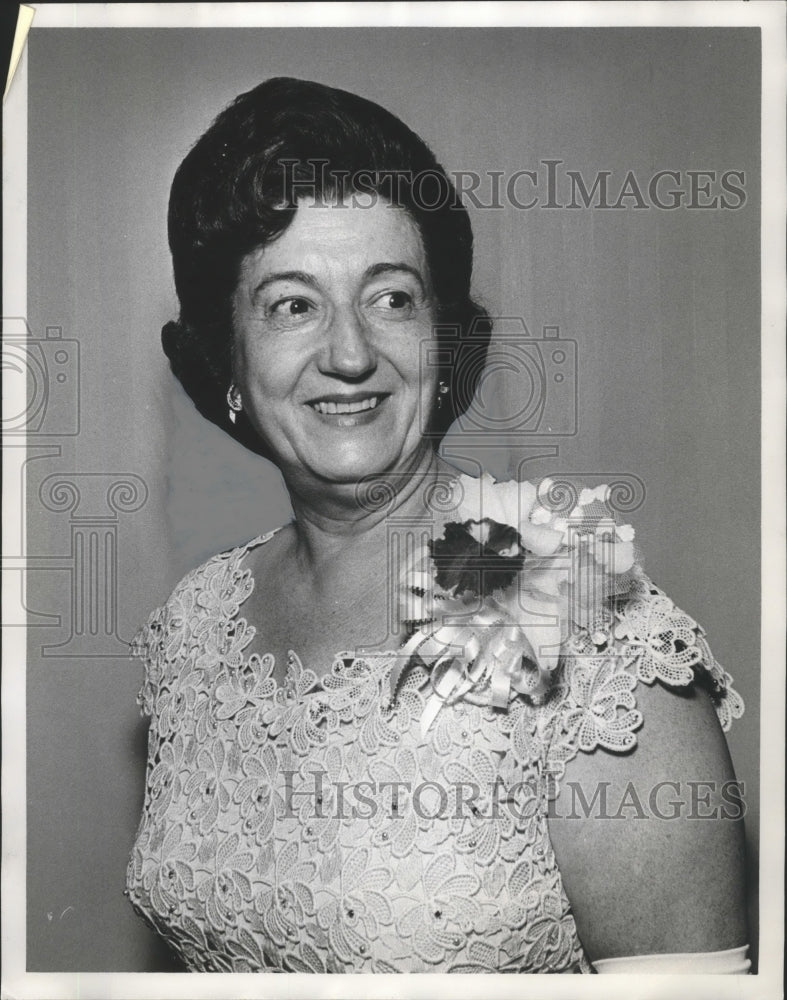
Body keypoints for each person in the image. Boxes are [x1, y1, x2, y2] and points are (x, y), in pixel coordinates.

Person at [126, 77, 749, 974]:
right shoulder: (196, 622)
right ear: (228, 358)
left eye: (391, 299)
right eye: (292, 305)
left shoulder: (589, 623)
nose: (349, 355)